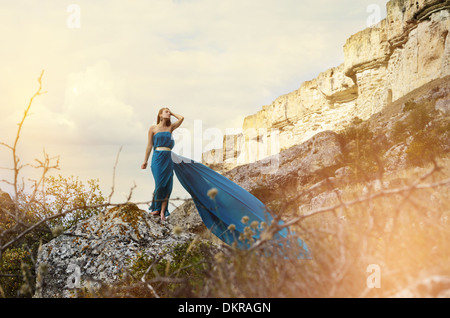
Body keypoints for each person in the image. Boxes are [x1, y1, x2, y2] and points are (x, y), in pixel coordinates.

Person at [141, 107, 310, 258]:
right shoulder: (153, 129)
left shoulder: (171, 127)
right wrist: (145, 161)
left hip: (168, 157)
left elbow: (182, 118)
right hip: (157, 158)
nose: (167, 113)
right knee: (159, 184)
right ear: (158, 114)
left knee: (167, 184)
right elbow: (149, 145)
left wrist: (172, 113)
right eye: (165, 111)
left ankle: (163, 212)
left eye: (168, 111)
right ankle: (155, 209)